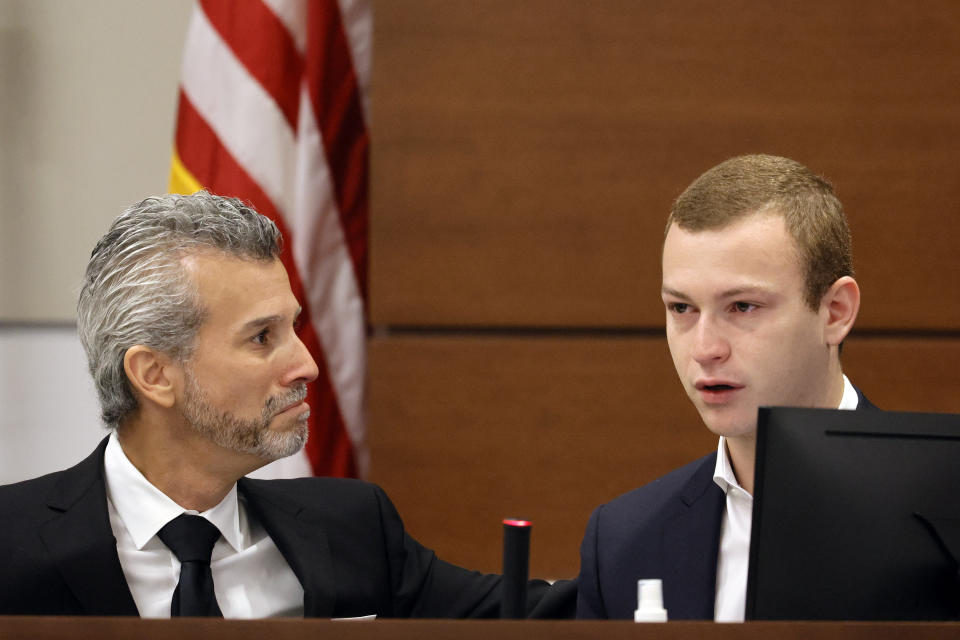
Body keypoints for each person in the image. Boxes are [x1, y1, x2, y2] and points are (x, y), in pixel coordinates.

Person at [0, 192, 572, 619]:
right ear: (154, 375)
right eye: (261, 338)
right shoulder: (12, 542)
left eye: (293, 328)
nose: (305, 366)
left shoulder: (351, 527)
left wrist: (639, 534)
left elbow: (536, 614)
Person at [576, 154, 876, 621]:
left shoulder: (945, 504)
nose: (705, 348)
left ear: (835, 312)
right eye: (681, 309)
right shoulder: (621, 542)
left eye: (742, 307)